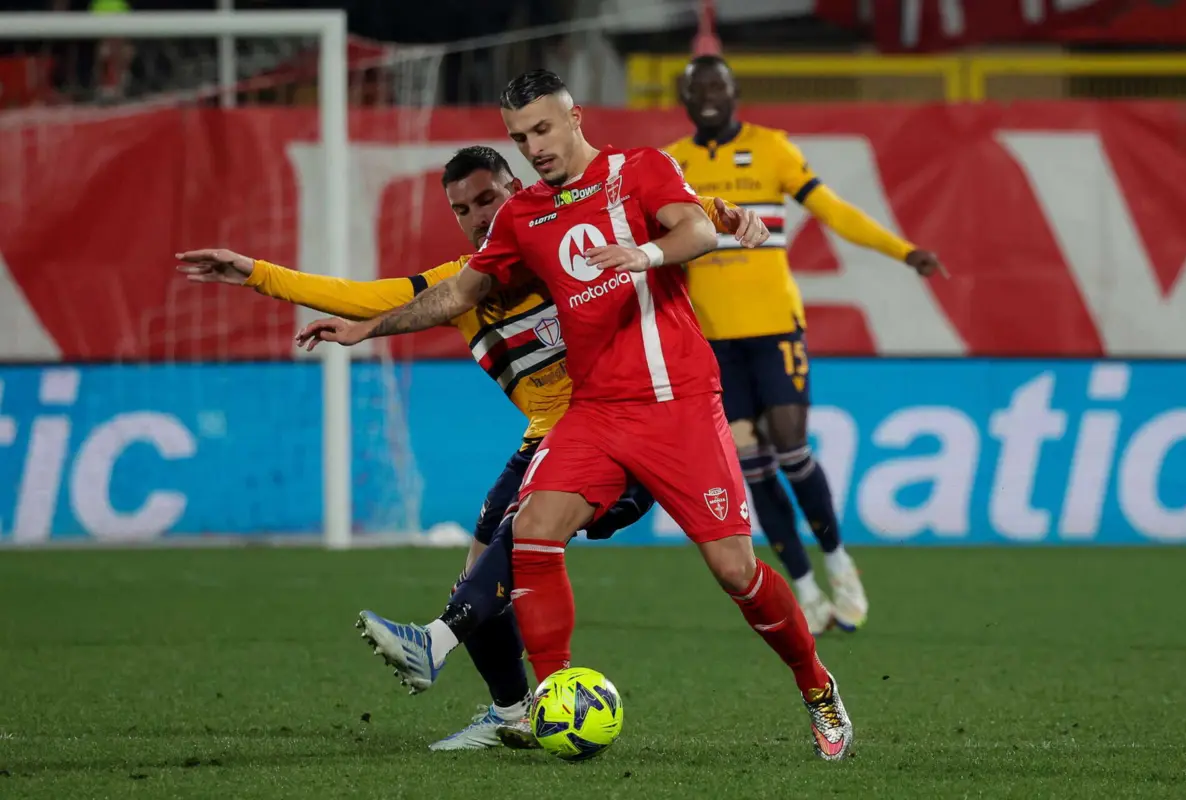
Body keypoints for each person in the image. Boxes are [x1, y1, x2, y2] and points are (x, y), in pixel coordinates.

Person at [296, 69, 854, 761]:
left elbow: (695, 230)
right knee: (532, 531)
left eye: (542, 129)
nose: (534, 147)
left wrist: (643, 253)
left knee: (735, 570)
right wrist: (368, 328)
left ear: (575, 118)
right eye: (519, 137)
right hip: (595, 412)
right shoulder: (522, 215)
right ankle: (552, 698)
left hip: (678, 403)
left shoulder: (640, 170)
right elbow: (456, 294)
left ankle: (817, 686)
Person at [175, 145, 768, 751]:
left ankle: (434, 641)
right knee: (479, 577)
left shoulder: (571, 244)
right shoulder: (462, 284)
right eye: (462, 209)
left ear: (518, 189)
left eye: (488, 199)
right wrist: (254, 273)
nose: (479, 216)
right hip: (545, 437)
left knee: (515, 542)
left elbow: (666, 211)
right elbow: (361, 295)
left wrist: (725, 212)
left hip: (622, 428)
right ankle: (511, 710)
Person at [664, 54, 948, 633]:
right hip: (713, 338)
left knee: (791, 446)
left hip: (773, 325)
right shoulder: (671, 164)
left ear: (735, 92)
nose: (710, 97)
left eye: (718, 86)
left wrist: (904, 251)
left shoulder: (772, 148)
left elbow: (832, 210)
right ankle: (805, 587)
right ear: (685, 99)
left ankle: (839, 562)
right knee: (752, 463)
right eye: (699, 89)